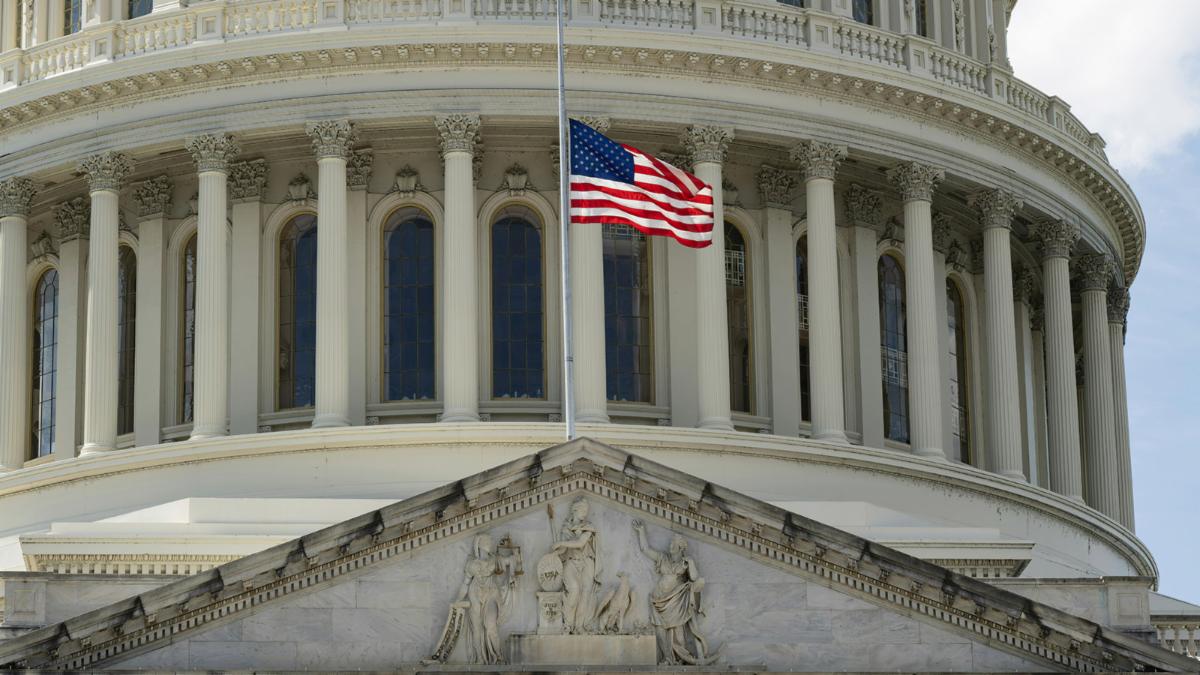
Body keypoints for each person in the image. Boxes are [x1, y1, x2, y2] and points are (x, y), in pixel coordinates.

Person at [632, 520, 719, 665]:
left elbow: (695, 578)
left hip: (677, 600)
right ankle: (667, 657)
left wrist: (690, 563)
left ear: (680, 547)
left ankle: (679, 657)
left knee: (677, 632)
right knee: (660, 631)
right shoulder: (663, 558)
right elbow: (645, 550)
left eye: (674, 544)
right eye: (671, 543)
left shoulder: (685, 562)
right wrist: (641, 532)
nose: (670, 546)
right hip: (658, 600)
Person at [454, 533, 519, 664]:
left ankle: (498, 657)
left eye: (490, 540)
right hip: (475, 593)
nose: (490, 542)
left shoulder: (495, 560)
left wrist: (513, 567)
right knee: (476, 628)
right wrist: (457, 600)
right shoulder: (472, 565)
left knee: (490, 625)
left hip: (491, 594)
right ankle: (480, 658)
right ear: (479, 545)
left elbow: (511, 560)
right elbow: (465, 584)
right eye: (487, 541)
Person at [552, 498, 601, 633]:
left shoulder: (589, 526)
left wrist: (561, 543)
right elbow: (563, 551)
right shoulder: (565, 527)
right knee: (573, 590)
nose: (585, 513)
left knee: (585, 593)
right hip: (570, 561)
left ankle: (579, 626)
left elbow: (580, 543)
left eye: (587, 510)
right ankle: (568, 624)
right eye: (583, 510)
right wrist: (554, 553)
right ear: (575, 510)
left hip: (586, 561)